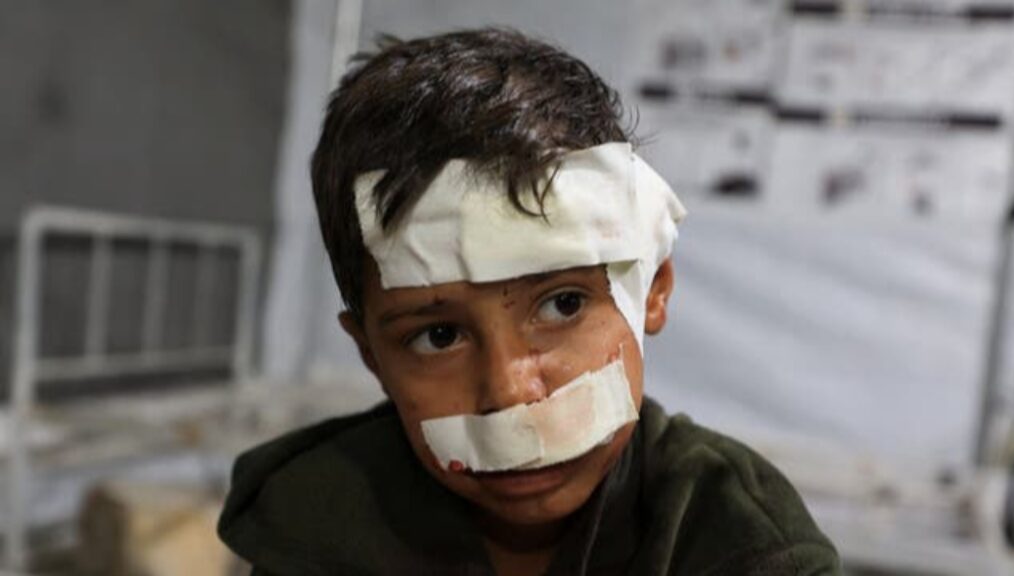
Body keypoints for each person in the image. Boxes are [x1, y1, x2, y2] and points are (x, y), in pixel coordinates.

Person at [218, 28, 841, 576]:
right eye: (439, 337)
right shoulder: (318, 523)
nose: (512, 392)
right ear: (371, 354)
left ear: (652, 291)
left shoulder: (739, 540)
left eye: (563, 304)